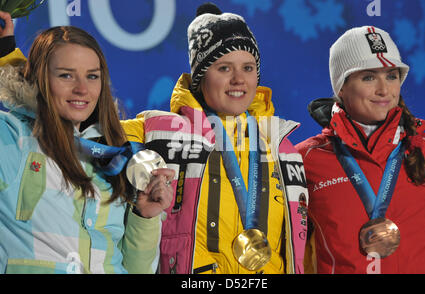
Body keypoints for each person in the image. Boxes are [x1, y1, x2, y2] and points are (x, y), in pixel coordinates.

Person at [122, 2, 309, 274]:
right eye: (223, 68)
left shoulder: (282, 145)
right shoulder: (158, 131)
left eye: (248, 68)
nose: (238, 80)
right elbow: (86, 134)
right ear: (200, 76)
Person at [0, 11, 174, 274]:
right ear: (39, 79)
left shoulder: (114, 157)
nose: (82, 89)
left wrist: (144, 216)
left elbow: (137, 270)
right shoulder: (12, 137)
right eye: (66, 75)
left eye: (92, 76)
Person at [296, 26, 425, 274]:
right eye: (368, 77)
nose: (384, 90)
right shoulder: (305, 160)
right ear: (341, 88)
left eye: (391, 76)